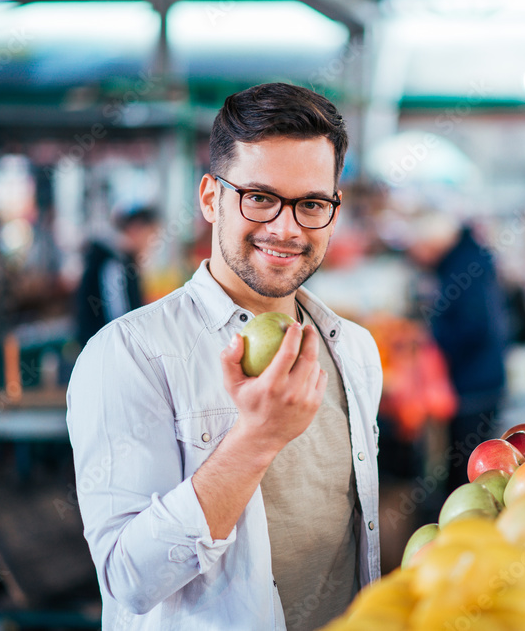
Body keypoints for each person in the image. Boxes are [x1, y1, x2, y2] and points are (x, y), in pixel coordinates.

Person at [67, 83, 382, 630]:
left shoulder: (354, 350)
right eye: (259, 198)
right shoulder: (129, 354)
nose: (285, 228)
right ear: (211, 198)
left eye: (310, 203)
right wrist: (257, 438)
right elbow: (129, 579)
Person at [403, 211, 509, 492]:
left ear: (433, 244)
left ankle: (462, 517)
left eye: (420, 250)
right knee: (463, 460)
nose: (418, 258)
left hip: (475, 384)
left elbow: (475, 326)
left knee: (467, 464)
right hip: (478, 378)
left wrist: (435, 338)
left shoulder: (465, 267)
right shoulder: (465, 259)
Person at [75, 205, 160, 347]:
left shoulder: (112, 258)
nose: (151, 245)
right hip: (106, 352)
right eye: (151, 236)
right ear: (136, 229)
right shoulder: (114, 263)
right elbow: (120, 322)